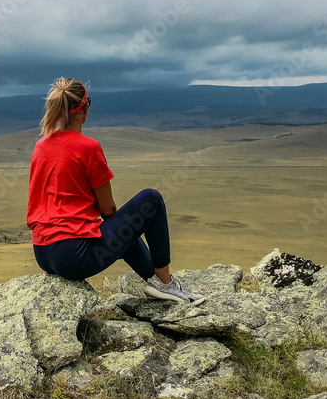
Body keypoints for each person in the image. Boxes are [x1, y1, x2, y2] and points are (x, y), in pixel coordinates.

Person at [26, 78, 205, 305]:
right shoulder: (88, 147)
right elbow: (108, 209)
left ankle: (158, 283)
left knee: (119, 230)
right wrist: (126, 230)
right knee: (151, 199)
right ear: (85, 108)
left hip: (42, 252)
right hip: (74, 256)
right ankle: (166, 284)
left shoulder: (41, 146)